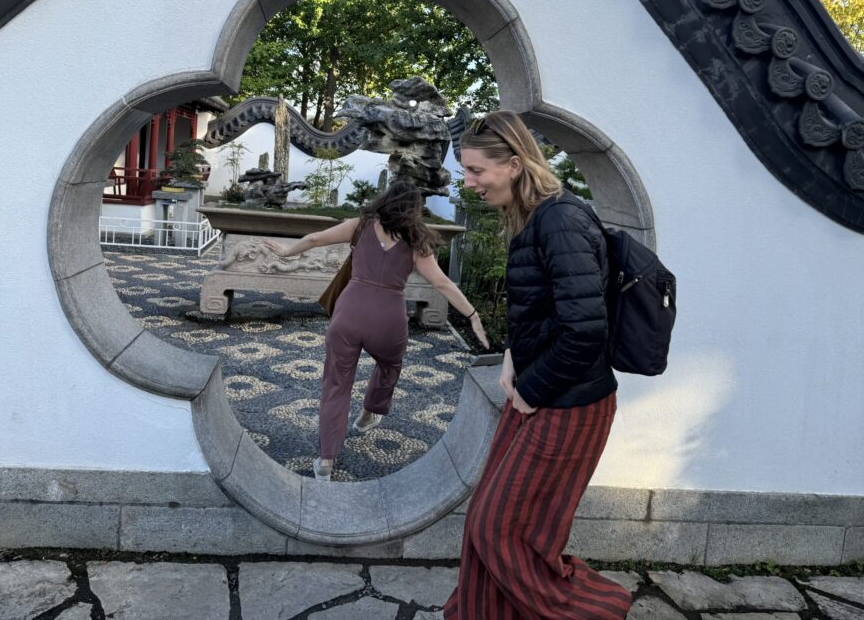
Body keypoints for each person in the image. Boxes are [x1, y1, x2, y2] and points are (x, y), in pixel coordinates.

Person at [444, 112, 631, 619]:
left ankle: (594, 611)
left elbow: (586, 330)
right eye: (466, 171)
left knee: (495, 526)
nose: (469, 183)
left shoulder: (563, 221)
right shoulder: (539, 217)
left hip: (569, 401)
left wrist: (531, 390)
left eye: (477, 171)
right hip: (542, 389)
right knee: (497, 523)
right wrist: (511, 355)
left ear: (516, 163)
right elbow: (543, 309)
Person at [262, 179, 489, 481]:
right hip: (389, 319)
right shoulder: (416, 239)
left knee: (336, 386)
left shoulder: (362, 224)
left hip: (349, 313)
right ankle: (370, 411)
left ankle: (326, 461)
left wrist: (287, 251)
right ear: (416, 209)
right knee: (390, 364)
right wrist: (472, 315)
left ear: (386, 199)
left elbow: (316, 239)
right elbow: (442, 283)